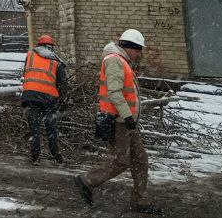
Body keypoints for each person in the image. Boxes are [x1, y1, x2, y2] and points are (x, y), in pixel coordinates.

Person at [74, 29, 161, 215]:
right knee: (120, 161)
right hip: (120, 121)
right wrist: (128, 115)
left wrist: (131, 116)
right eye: (138, 50)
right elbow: (114, 92)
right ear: (130, 47)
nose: (140, 54)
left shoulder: (122, 61)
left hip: (128, 121)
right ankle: (87, 180)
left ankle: (140, 200)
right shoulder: (114, 60)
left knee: (140, 160)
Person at [21, 33, 69, 164]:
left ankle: (35, 157)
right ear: (51, 47)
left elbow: (26, 72)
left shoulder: (30, 55)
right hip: (48, 98)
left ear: (39, 46)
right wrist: (63, 101)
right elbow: (63, 85)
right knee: (51, 128)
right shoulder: (57, 61)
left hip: (30, 96)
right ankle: (57, 156)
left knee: (34, 129)